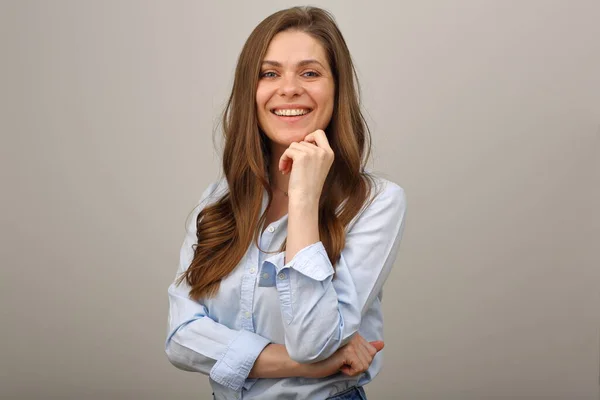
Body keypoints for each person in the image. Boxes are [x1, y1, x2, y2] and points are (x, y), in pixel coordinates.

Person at [165, 6, 407, 400]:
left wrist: (304, 198)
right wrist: (307, 365)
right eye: (269, 73)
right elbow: (181, 338)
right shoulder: (218, 201)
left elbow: (314, 339)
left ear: (336, 89)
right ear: (251, 91)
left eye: (310, 73)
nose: (289, 88)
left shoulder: (377, 203)